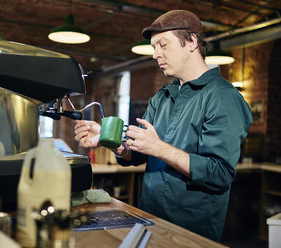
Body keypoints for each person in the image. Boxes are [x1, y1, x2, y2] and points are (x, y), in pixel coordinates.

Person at [74, 10, 253, 242]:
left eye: (162, 44)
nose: (155, 54)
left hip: (191, 229)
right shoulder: (163, 95)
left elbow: (219, 173)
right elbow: (137, 154)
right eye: (154, 47)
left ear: (191, 42)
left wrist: (160, 148)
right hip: (150, 217)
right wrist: (110, 140)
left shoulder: (222, 97)